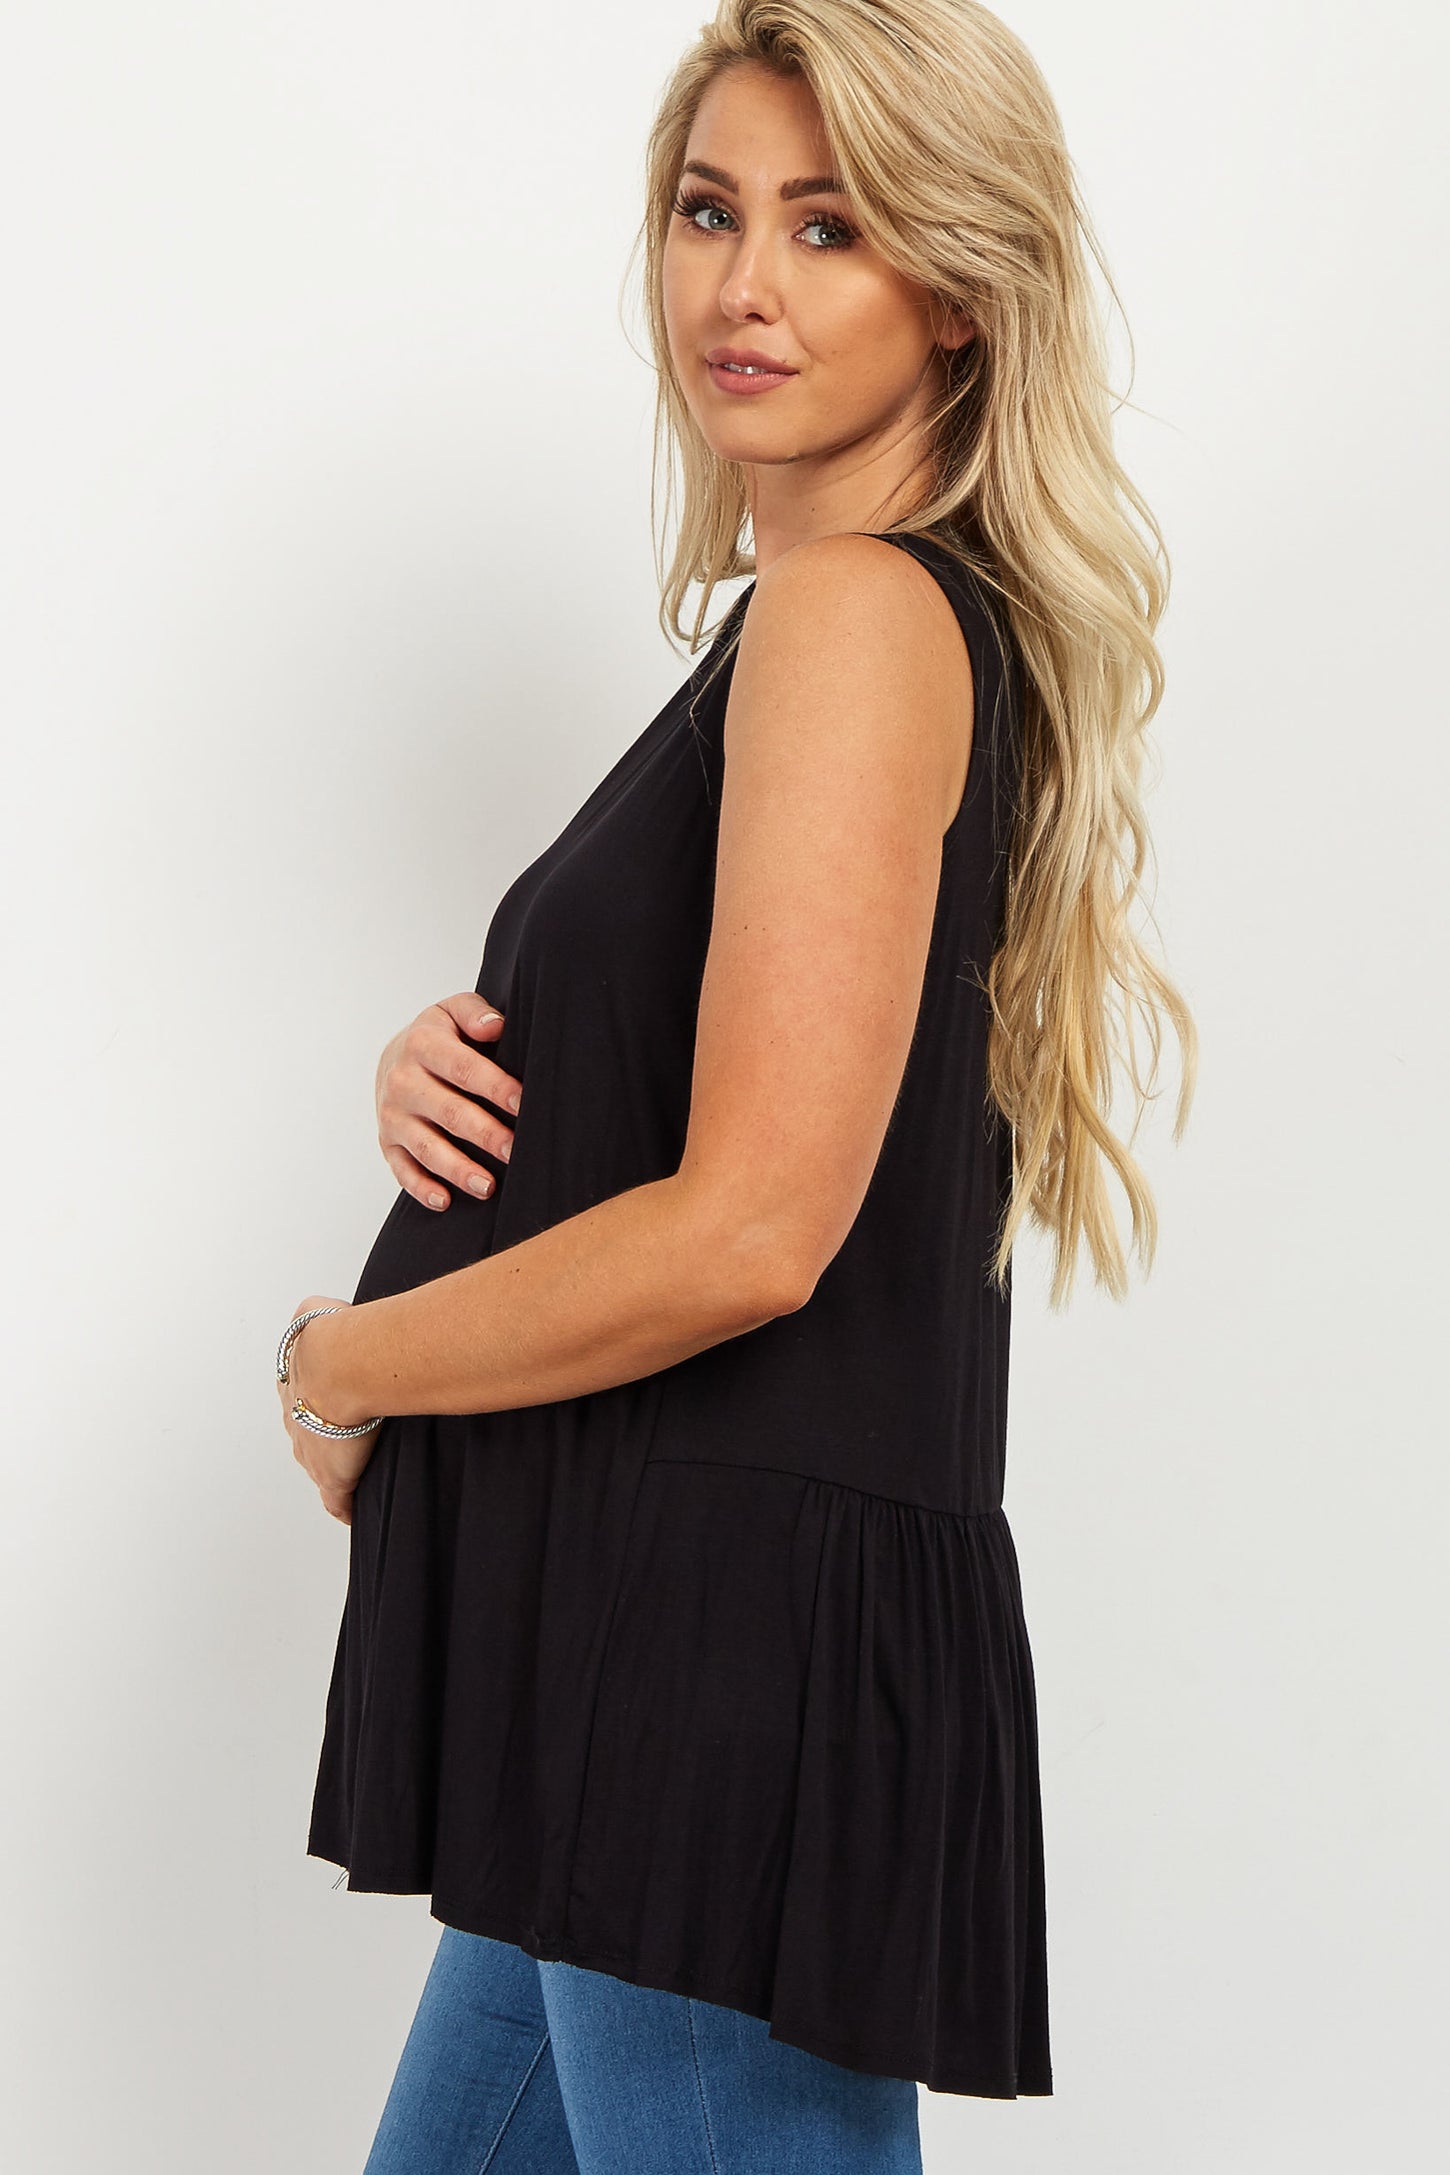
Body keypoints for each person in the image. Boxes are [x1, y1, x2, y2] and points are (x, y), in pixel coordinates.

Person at [276, 2, 1196, 2167]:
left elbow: (756, 1226)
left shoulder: (855, 619)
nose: (743, 285)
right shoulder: (813, 632)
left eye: (828, 225)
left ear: (956, 289)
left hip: (704, 1675)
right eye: (709, 213)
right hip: (633, 1666)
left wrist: (338, 1366)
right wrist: (496, 1054)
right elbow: (735, 1110)